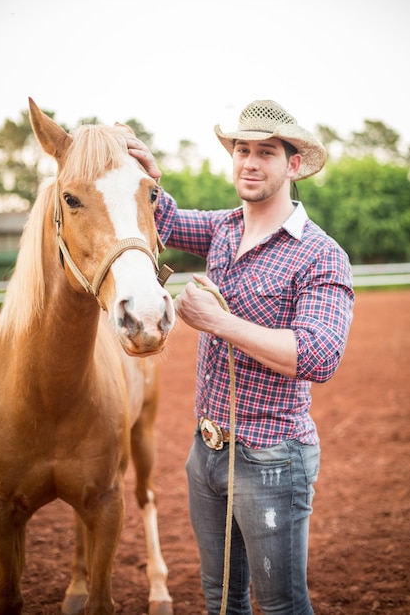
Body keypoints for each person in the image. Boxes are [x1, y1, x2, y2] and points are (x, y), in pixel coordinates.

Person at [127, 99, 354, 615]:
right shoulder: (224, 228)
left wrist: (219, 323)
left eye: (266, 152)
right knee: (220, 598)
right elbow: (166, 222)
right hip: (206, 451)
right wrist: (151, 177)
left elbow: (319, 355)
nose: (249, 162)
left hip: (272, 458)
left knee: (281, 607)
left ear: (293, 165)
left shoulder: (320, 253)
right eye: (242, 150)